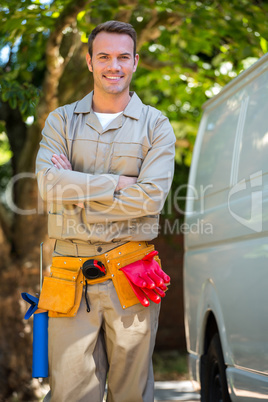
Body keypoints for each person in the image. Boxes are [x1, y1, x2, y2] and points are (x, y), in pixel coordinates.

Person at [36, 20, 176, 402]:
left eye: (122, 57)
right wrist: (116, 184)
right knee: (69, 394)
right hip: (68, 275)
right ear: (89, 61)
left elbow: (150, 199)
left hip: (132, 273)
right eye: (104, 56)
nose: (113, 65)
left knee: (132, 394)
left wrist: (76, 191)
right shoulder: (61, 120)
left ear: (134, 62)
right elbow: (48, 185)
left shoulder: (156, 125)